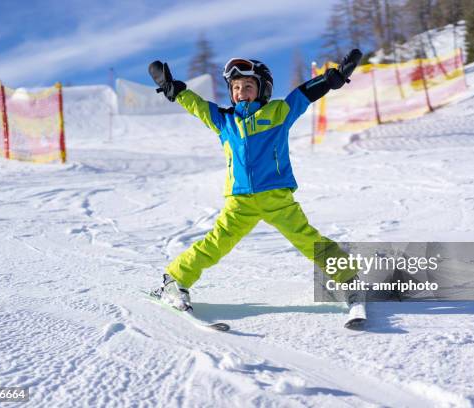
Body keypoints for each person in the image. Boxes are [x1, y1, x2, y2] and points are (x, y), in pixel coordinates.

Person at [148, 50, 364, 314]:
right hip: (239, 201)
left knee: (307, 239)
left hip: (276, 198)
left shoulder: (278, 113)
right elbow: (198, 106)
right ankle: (175, 280)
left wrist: (332, 78)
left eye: (248, 86)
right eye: (236, 87)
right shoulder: (225, 120)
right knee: (215, 243)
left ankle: (350, 279)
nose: (241, 91)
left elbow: (303, 94)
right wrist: (174, 89)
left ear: (263, 89)